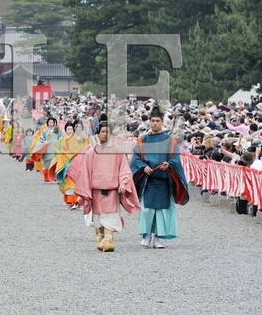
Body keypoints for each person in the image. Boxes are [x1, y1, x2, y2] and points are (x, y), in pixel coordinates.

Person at [73, 119, 140, 252]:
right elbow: (85, 172)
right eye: (103, 131)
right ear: (98, 134)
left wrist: (123, 183)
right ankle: (103, 239)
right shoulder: (91, 152)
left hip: (112, 191)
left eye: (107, 132)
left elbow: (125, 170)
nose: (105, 134)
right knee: (99, 219)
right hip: (96, 192)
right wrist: (85, 191)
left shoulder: (118, 151)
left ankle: (108, 240)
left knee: (111, 217)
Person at [131, 107, 189, 249]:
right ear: (149, 122)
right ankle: (146, 235)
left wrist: (168, 164)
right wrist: (143, 166)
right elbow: (135, 158)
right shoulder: (143, 139)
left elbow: (175, 158)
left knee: (161, 211)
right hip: (148, 180)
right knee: (147, 210)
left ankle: (158, 238)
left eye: (157, 121)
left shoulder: (169, 140)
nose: (155, 123)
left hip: (163, 180)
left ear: (162, 122)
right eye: (153, 121)